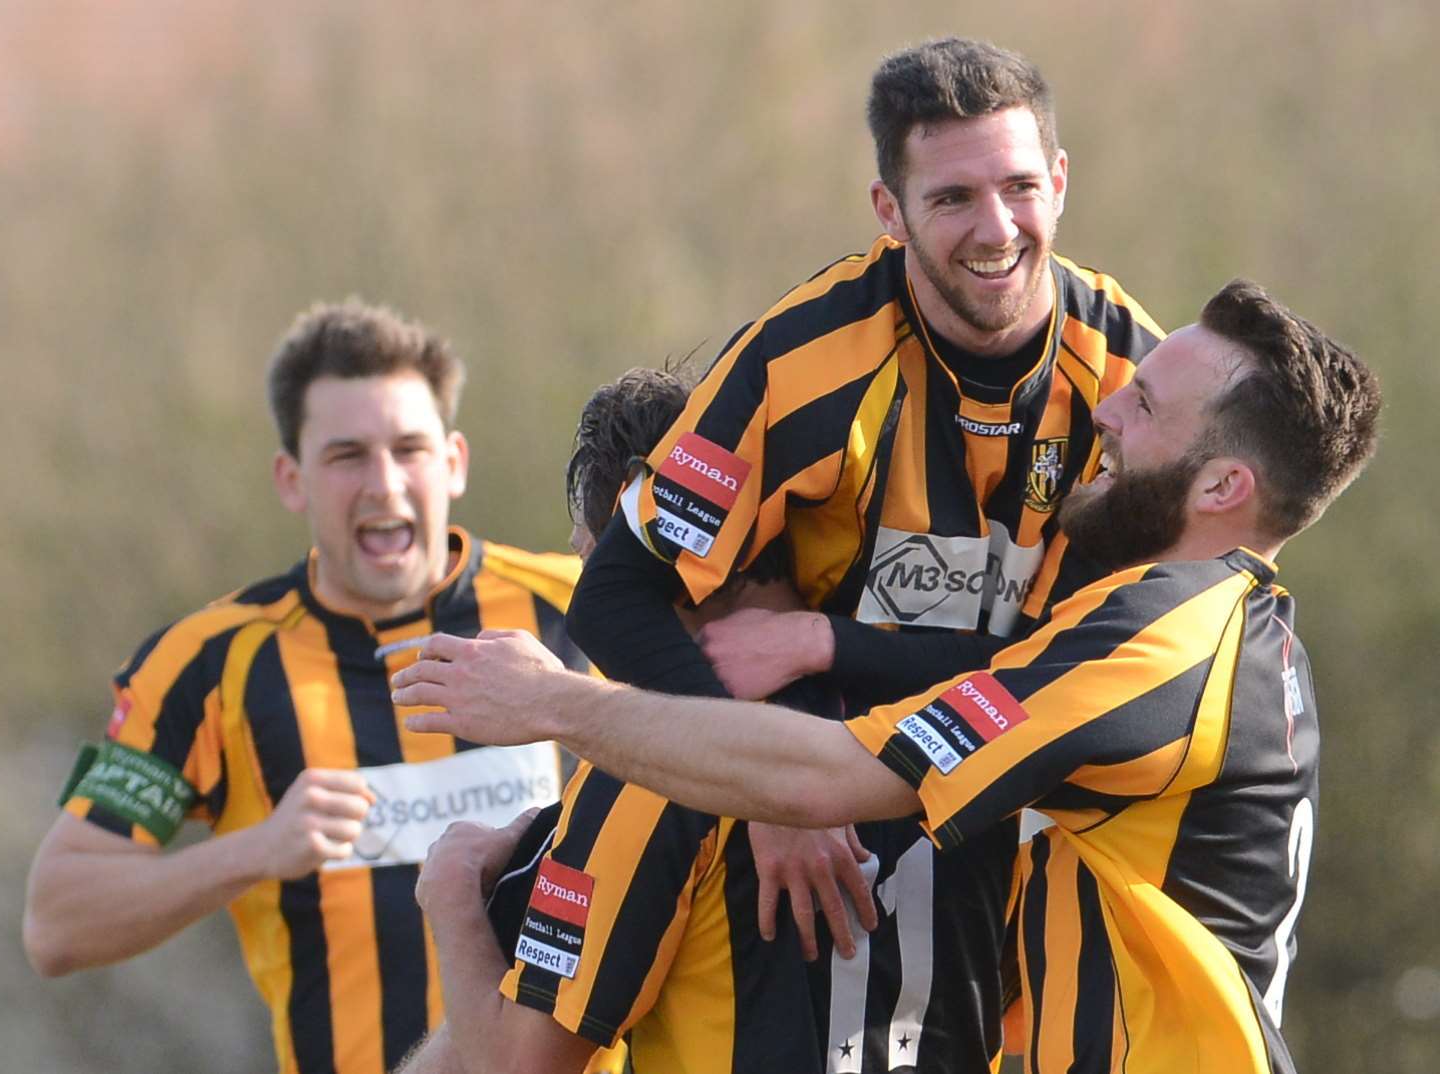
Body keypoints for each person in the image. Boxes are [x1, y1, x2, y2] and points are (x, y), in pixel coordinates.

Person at [393, 278, 1382, 1074]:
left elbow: (511, 1064)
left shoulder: (1159, 640)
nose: (1106, 407)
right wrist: (826, 646)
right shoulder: (1220, 634)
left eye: (1146, 401)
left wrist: (545, 714)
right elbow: (991, 670)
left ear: (1222, 485)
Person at [564, 34, 1164, 1069]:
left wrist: (822, 645)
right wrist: (765, 785)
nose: (997, 229)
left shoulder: (1132, 374)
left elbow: (1121, 665)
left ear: (1060, 182)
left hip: (1037, 794)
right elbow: (615, 596)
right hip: (823, 841)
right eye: (951, 199)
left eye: (1020, 187)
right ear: (889, 212)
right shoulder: (801, 356)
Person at [23, 300, 592, 1074]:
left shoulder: (583, 605)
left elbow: (722, 754)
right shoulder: (206, 665)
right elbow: (56, 922)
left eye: (410, 449)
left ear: (454, 462)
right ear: (291, 479)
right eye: (347, 455)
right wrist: (255, 851)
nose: (385, 484)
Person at [398, 365, 858, 1074]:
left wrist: (452, 889)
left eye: (596, 564)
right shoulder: (927, 722)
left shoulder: (646, 776)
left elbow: (519, 1067)